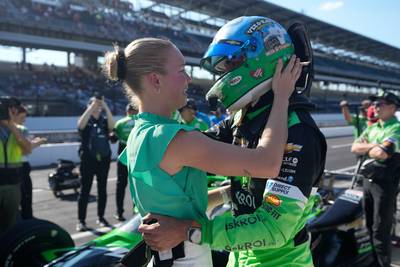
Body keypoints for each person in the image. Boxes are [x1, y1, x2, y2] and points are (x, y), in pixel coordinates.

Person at [138, 17, 326, 267]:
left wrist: (189, 231)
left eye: (231, 64)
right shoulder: (243, 117)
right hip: (238, 256)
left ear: (264, 59)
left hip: (281, 261)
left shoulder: (299, 132)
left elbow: (274, 228)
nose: (223, 74)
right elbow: (193, 149)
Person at [103, 33, 301, 266]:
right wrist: (281, 97)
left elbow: (178, 207)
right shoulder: (174, 140)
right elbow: (267, 164)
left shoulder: (139, 133)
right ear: (156, 80)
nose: (188, 79)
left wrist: (228, 192)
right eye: (181, 71)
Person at [351, 91, 400, 267]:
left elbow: (382, 152)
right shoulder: (373, 127)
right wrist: (374, 145)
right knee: (369, 225)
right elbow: (354, 147)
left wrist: (370, 148)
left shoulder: (396, 128)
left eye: (381, 104)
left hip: (384, 185)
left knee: (381, 230)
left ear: (393, 107)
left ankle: (383, 264)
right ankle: (373, 263)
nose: (375, 107)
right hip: (367, 182)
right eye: (375, 104)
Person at [76, 95, 114, 231]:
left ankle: (101, 217)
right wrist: (91, 107)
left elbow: (112, 127)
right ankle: (81, 221)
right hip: (87, 160)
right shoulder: (87, 120)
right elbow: (80, 125)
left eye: (98, 105)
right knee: (85, 190)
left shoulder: (104, 121)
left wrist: (105, 106)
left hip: (103, 160)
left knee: (102, 190)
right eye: (93, 104)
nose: (96, 106)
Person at [0, 97, 31, 235]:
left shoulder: (21, 129)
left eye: (14, 108)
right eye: (8, 108)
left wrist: (11, 125)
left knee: (10, 226)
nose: (11, 111)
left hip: (13, 185)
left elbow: (27, 150)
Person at [13, 105, 47, 219]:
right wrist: (38, 142)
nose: (24, 120)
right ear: (14, 115)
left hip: (10, 168)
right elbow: (25, 150)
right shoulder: (21, 129)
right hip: (21, 167)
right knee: (26, 200)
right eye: (22, 117)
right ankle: (28, 225)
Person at [111, 103, 137, 221]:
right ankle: (136, 212)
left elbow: (113, 139)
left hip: (123, 156)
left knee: (121, 185)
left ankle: (119, 212)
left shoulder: (120, 123)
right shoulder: (140, 121)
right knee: (137, 185)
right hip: (137, 156)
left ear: (127, 111)